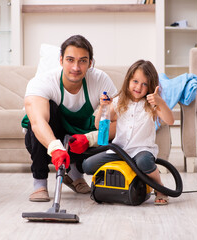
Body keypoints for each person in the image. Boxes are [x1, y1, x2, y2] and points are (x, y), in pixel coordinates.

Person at [24, 35, 117, 202]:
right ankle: (40, 183)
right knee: (46, 112)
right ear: (60, 60)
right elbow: (38, 122)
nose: (76, 67)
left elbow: (121, 120)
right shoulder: (43, 82)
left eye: (82, 61)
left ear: (90, 63)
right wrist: (55, 148)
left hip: (79, 139)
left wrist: (89, 139)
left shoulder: (100, 80)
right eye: (70, 60)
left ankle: (74, 173)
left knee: (107, 129)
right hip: (47, 138)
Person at [82, 59, 174, 205]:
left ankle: (159, 188)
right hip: (119, 151)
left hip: (141, 151)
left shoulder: (152, 104)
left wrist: (160, 102)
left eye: (144, 84)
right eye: (135, 81)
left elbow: (170, 121)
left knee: (143, 162)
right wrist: (103, 107)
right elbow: (99, 125)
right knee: (87, 165)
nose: (139, 87)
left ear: (151, 86)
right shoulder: (119, 101)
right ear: (128, 80)